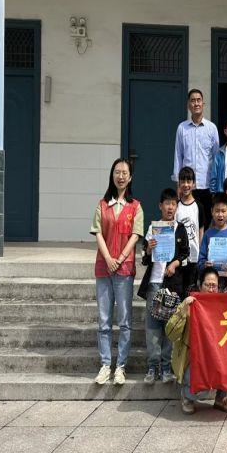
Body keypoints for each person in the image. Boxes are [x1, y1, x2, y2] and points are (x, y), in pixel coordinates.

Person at [90, 158, 144, 386]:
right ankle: (105, 364)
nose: (120, 176)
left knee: (124, 320)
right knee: (104, 320)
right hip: (104, 268)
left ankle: (120, 366)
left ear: (130, 178)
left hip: (124, 268)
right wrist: (109, 259)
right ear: (112, 176)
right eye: (117, 172)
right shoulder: (102, 205)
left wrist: (119, 259)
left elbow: (135, 236)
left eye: (124, 173)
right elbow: (98, 233)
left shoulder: (136, 207)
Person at [166, 267, 227, 415]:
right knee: (200, 389)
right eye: (207, 285)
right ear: (199, 285)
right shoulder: (190, 304)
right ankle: (187, 397)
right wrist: (183, 311)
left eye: (214, 286)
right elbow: (170, 333)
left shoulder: (222, 305)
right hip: (193, 357)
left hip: (216, 355)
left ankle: (221, 398)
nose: (211, 289)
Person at [138, 188, 189, 385]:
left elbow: (185, 254)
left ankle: (166, 367)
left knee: (170, 326)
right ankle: (152, 367)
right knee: (152, 327)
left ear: (177, 207)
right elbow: (144, 259)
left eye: (173, 204)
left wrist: (175, 263)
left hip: (172, 284)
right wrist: (149, 249)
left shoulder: (180, 229)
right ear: (160, 206)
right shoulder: (154, 228)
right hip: (154, 283)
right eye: (167, 203)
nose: (170, 207)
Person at [172, 89, 219, 228]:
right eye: (193, 101)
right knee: (187, 223)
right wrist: (178, 184)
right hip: (187, 185)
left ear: (203, 104)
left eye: (199, 100)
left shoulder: (211, 128)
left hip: (206, 185)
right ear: (188, 105)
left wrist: (215, 186)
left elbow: (216, 158)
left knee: (206, 222)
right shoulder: (182, 128)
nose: (196, 103)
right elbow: (178, 156)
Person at [197, 193, 227, 286]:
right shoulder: (208, 234)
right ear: (212, 211)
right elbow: (201, 261)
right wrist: (205, 264)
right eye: (217, 211)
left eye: (223, 211)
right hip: (211, 283)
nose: (220, 214)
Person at [176, 166, 204, 293]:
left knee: (191, 291)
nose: (186, 185)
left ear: (194, 184)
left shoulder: (199, 206)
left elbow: (201, 230)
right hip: (178, 258)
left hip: (194, 257)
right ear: (179, 183)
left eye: (189, 181)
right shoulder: (176, 205)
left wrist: (201, 254)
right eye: (183, 181)